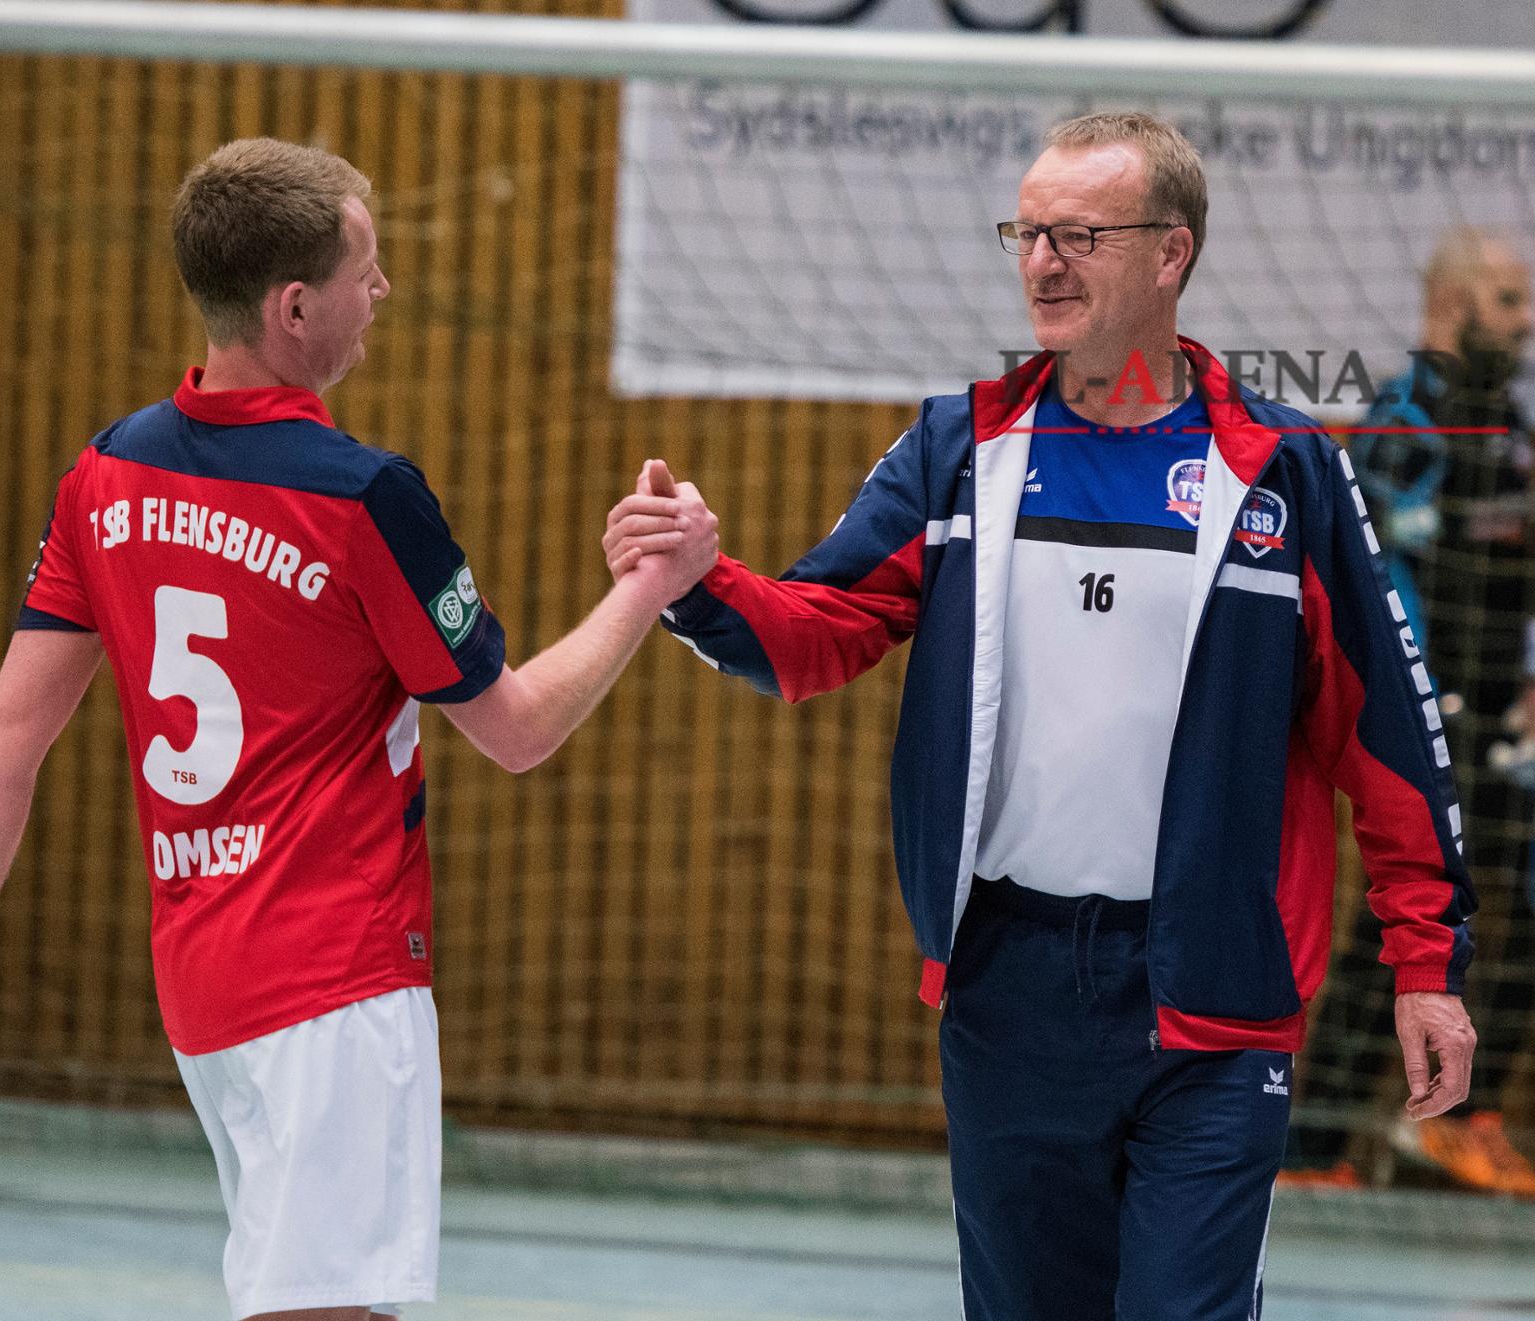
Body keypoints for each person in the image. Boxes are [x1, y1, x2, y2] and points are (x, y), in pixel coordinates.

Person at [604, 112, 1477, 1320]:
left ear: (1170, 252)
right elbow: (816, 630)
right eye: (1026, 233)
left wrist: (1426, 965)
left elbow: (1385, 738)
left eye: (1078, 235)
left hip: (1215, 987)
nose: (1042, 263)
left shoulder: (1281, 469)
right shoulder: (959, 447)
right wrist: (700, 578)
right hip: (1008, 982)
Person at [0, 138, 716, 1321]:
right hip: (334, 983)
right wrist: (650, 585)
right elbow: (515, 729)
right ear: (294, 308)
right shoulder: (360, 495)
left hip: (201, 984)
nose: (384, 289)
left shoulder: (105, 473)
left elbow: (6, 735)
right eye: (367, 268)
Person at [1286, 227, 1535, 1194]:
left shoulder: (1511, 431)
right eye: (1508, 302)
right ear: (1453, 305)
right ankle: (1316, 1144)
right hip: (1431, 724)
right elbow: (1367, 581)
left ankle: (1459, 1118)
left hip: (1506, 725)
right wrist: (1415, 705)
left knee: (1516, 912)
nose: (1525, 322)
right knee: (1401, 924)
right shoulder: (1405, 424)